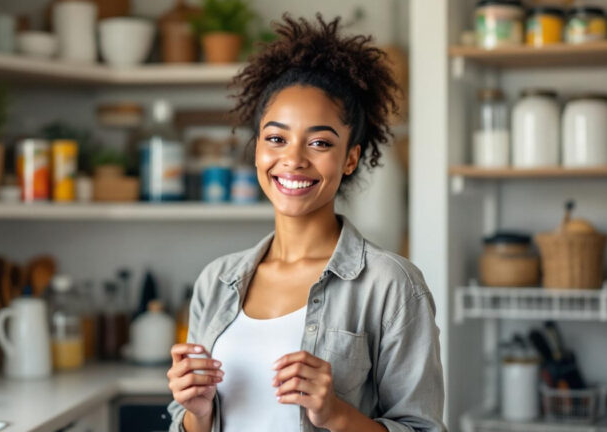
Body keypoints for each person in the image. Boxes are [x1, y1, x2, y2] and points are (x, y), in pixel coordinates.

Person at [167, 14, 445, 432]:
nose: (294, 159)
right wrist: (196, 413)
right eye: (276, 138)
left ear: (350, 157)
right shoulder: (216, 281)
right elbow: (186, 425)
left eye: (319, 142)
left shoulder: (391, 285)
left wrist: (336, 414)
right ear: (257, 147)